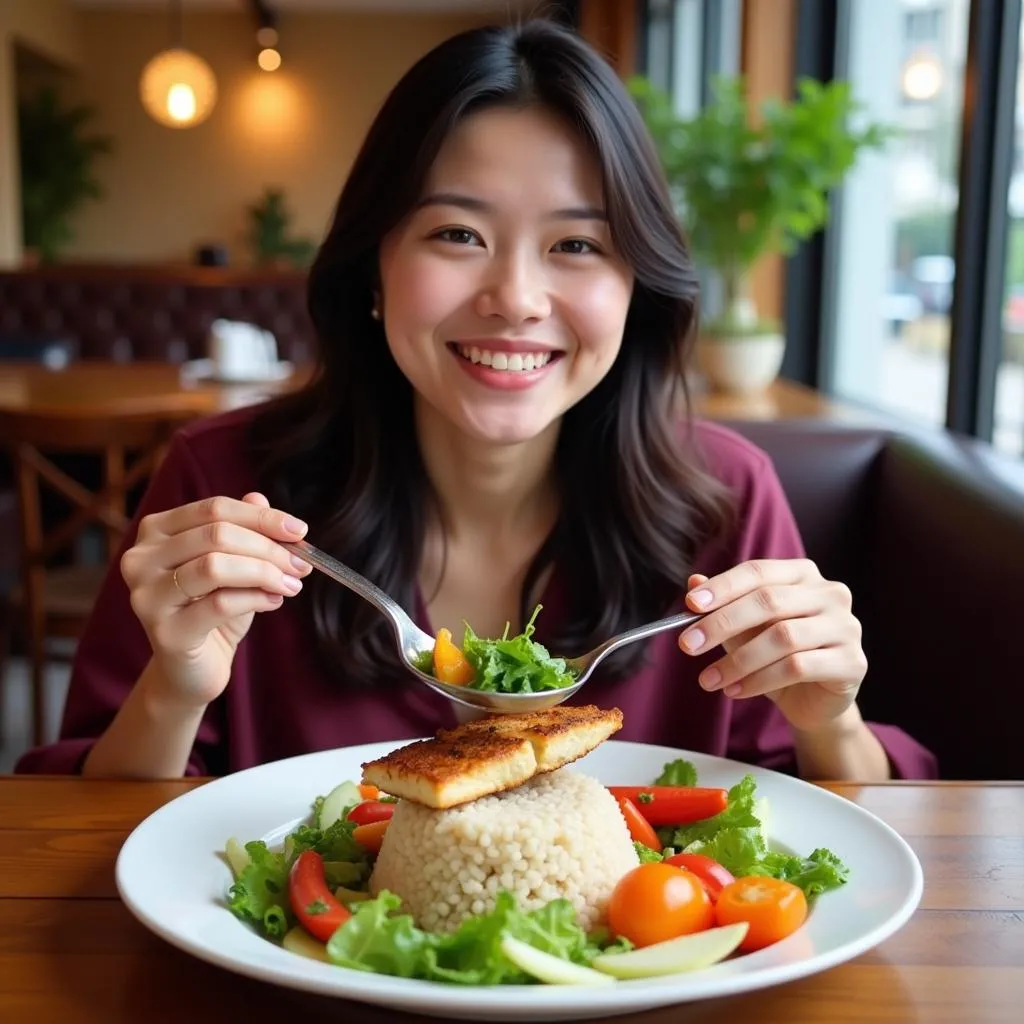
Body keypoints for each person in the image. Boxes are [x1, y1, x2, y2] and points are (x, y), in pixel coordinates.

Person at [15, 19, 936, 781]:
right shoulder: (225, 483)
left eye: (576, 245)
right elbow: (82, 821)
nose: (518, 298)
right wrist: (175, 687)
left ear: (635, 288)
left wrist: (831, 719)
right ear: (373, 266)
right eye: (458, 233)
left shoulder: (726, 499)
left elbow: (823, 825)